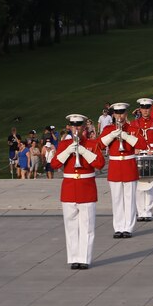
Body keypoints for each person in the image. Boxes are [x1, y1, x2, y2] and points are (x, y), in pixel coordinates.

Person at [51, 114, 106, 269]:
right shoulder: (64, 144)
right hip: (69, 188)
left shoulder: (91, 143)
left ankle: (84, 258)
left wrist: (84, 151)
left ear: (83, 127)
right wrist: (68, 151)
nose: (76, 128)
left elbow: (100, 164)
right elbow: (54, 164)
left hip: (86, 188)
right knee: (70, 226)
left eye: (79, 125)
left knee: (87, 226)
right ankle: (74, 257)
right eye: (73, 125)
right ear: (69, 127)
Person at [100, 103, 141, 238]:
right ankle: (118, 227)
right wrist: (111, 136)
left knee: (129, 198)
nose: (119, 116)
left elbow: (142, 144)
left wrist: (127, 136)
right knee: (116, 199)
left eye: (122, 113)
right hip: (115, 167)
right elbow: (99, 144)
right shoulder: (108, 129)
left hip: (129, 164)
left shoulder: (133, 128)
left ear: (126, 114)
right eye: (117, 113)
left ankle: (128, 227)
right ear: (113, 115)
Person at [129, 98, 153, 222]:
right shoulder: (133, 124)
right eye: (143, 108)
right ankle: (140, 210)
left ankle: (147, 211)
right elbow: (129, 141)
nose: (145, 110)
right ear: (140, 109)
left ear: (150, 109)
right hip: (137, 158)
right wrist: (134, 149)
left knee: (149, 185)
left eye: (147, 108)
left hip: (151, 157)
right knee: (138, 187)